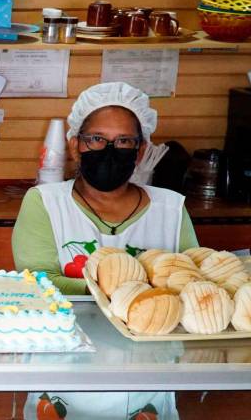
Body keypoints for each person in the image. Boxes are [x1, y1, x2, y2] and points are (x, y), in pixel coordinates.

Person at [12, 81, 198, 295]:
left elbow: (190, 279)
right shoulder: (45, 202)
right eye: (97, 139)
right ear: (75, 146)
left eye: (124, 141)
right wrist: (127, 291)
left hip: (152, 327)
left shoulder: (171, 208)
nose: (109, 150)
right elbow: (38, 280)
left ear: (140, 151)